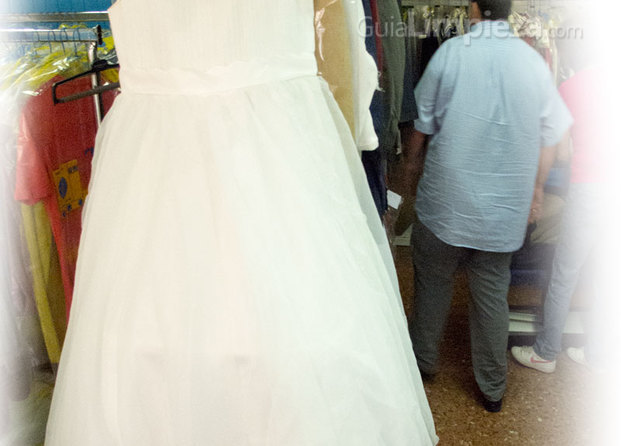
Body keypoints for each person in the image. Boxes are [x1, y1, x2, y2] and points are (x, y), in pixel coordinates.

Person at [44, 1, 438, 444]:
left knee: (151, 363)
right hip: (256, 173)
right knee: (295, 362)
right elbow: (347, 80)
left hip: (169, 183)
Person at [404, 0, 572, 412]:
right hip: (504, 209)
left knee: (432, 281)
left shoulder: (450, 52)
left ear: (474, 9)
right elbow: (553, 134)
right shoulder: (532, 64)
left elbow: (422, 123)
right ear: (509, 11)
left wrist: (410, 170)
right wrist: (535, 190)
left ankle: (422, 366)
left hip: (446, 200)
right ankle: (493, 389)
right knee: (492, 291)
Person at [511, 19, 608, 374]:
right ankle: (599, 351)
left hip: (588, 188)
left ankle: (546, 351)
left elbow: (562, 153)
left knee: (565, 271)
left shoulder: (569, 87)